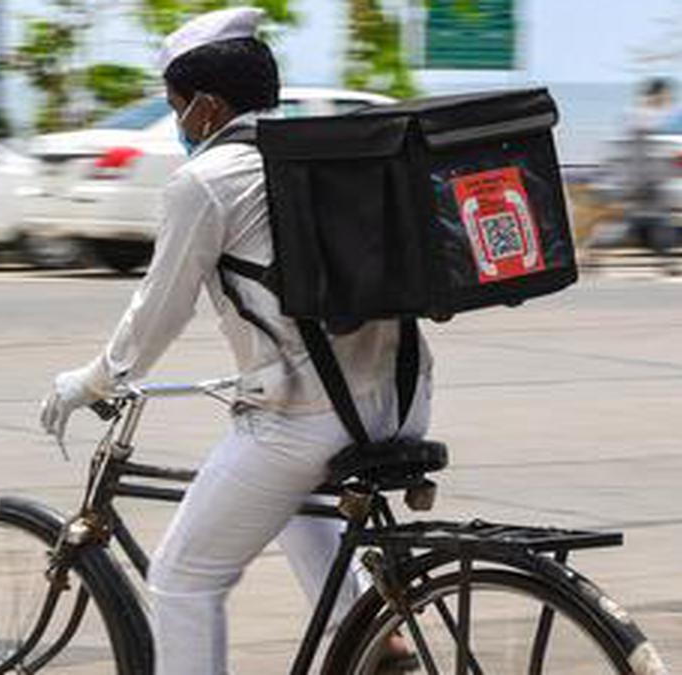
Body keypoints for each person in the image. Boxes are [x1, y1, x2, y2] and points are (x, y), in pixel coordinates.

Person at [39, 8, 432, 673]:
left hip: (311, 420)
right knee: (280, 502)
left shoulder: (207, 180)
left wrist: (94, 380)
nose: (178, 124)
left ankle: (364, 633)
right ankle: (368, 636)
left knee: (182, 575)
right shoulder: (325, 158)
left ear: (207, 108)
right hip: (403, 396)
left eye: (175, 107)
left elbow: (159, 310)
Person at [626, 77, 682, 275]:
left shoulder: (641, 115)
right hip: (648, 180)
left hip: (647, 178)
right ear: (657, 94)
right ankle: (668, 263)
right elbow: (644, 152)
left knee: (644, 222)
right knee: (656, 221)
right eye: (666, 94)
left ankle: (667, 262)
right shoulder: (646, 117)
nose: (668, 99)